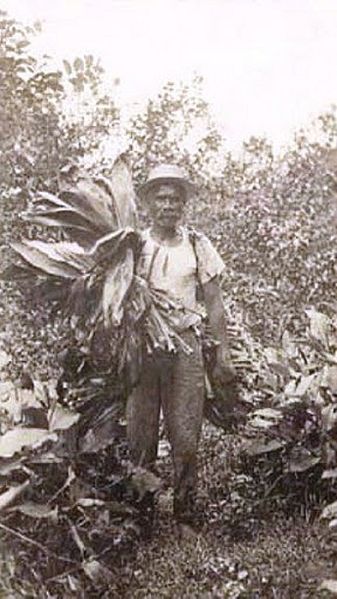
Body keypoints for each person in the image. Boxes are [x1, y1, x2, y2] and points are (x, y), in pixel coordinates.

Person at [126, 164, 235, 529]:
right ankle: (141, 515)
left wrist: (223, 355)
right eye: (161, 198)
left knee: (186, 433)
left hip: (186, 346)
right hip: (143, 348)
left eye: (175, 199)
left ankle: (185, 511)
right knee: (140, 434)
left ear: (184, 204)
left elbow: (215, 303)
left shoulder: (197, 244)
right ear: (148, 204)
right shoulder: (134, 244)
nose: (168, 206)